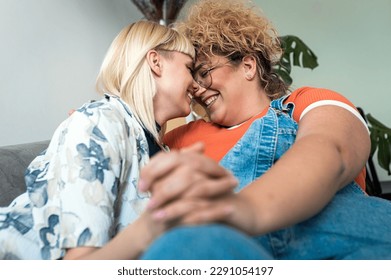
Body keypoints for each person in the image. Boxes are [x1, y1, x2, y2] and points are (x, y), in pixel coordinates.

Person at [138, 0, 391, 259]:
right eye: (193, 78)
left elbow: (329, 150)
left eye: (205, 72)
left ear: (248, 66)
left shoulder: (305, 103)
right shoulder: (181, 137)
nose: (197, 88)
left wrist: (242, 209)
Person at [0, 20, 237, 260]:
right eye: (189, 68)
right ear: (156, 62)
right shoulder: (97, 123)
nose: (196, 86)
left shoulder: (155, 148)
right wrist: (155, 224)